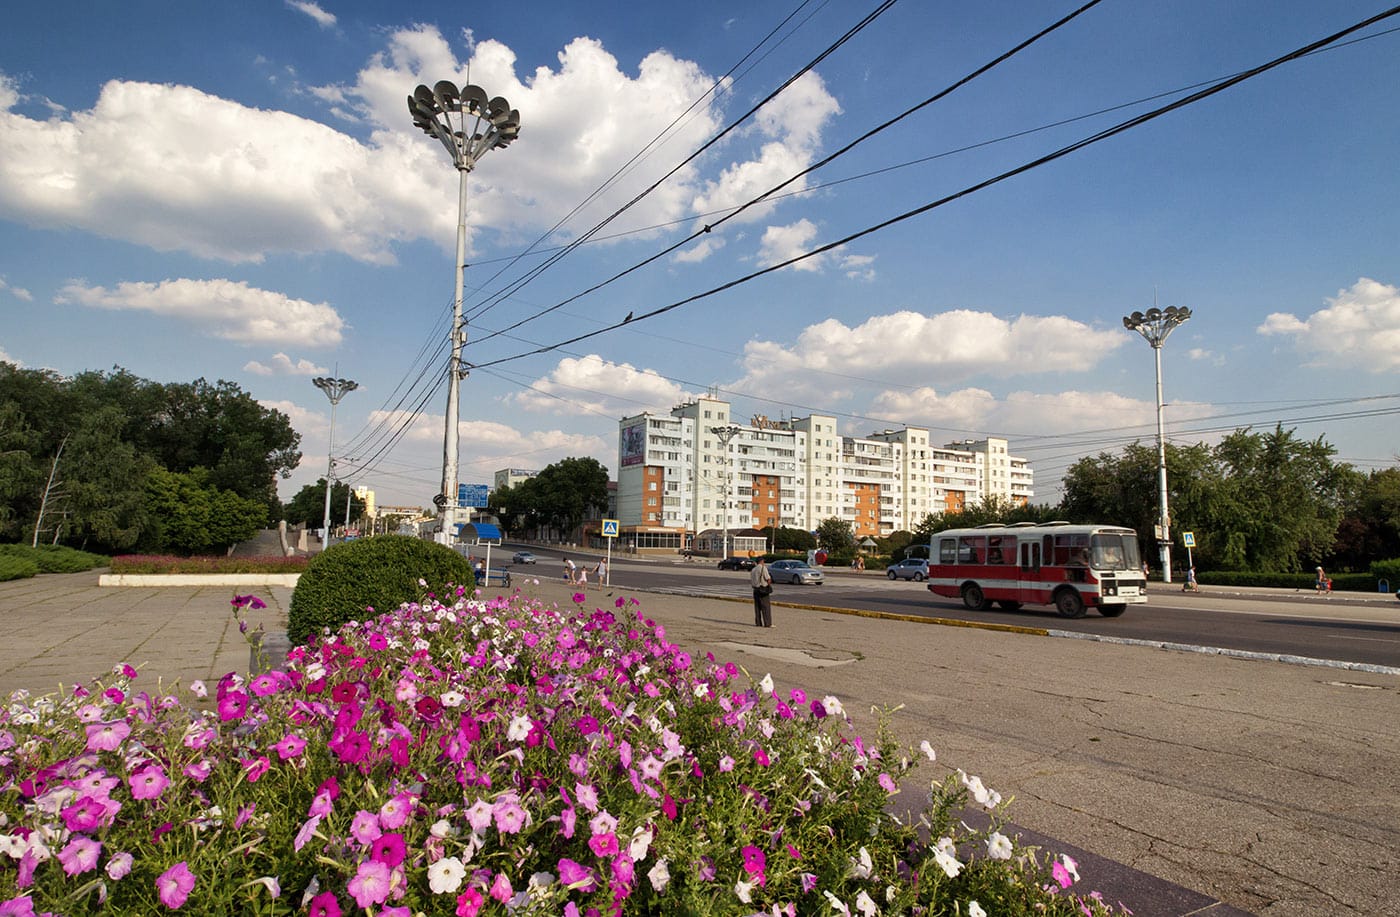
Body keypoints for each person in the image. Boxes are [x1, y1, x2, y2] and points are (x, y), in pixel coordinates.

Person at [750, 557, 774, 628]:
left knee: (757, 607)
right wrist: (768, 584)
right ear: (762, 561)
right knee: (766, 607)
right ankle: (767, 623)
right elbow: (768, 578)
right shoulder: (763, 568)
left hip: (755, 589)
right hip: (763, 589)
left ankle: (758, 623)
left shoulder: (753, 569)